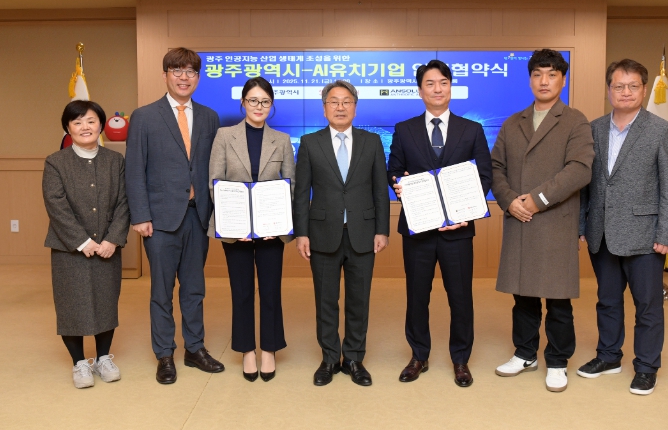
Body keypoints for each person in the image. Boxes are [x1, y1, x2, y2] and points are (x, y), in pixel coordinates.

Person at [490, 49, 594, 392]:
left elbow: (579, 169)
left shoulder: (575, 120)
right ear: (530, 79)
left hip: (554, 220)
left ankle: (558, 360)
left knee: (558, 298)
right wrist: (509, 201)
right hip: (519, 219)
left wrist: (537, 200)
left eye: (551, 75)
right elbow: (496, 168)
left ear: (562, 80)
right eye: (537, 74)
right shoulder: (513, 122)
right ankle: (525, 353)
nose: (544, 81)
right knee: (523, 295)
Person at [578, 59, 668, 395]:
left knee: (648, 306)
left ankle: (646, 367)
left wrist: (667, 234)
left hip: (645, 235)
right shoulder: (593, 129)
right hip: (601, 232)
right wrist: (582, 224)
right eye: (618, 86)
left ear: (644, 89)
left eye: (633, 86)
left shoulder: (661, 130)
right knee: (607, 301)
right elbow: (585, 184)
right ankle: (608, 356)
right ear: (609, 89)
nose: (625, 92)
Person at [388, 60, 492, 387]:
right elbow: (394, 171)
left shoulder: (471, 130)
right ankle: (419, 355)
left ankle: (460, 359)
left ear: (451, 87)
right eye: (430, 84)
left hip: (457, 232)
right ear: (420, 91)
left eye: (443, 82)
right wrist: (397, 184)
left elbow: (484, 176)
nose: (437, 89)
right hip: (418, 230)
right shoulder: (404, 129)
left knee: (460, 297)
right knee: (417, 296)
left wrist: (464, 212)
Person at [126, 47, 223, 384]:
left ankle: (194, 349)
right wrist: (140, 215)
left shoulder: (209, 117)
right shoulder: (144, 116)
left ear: (198, 77)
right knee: (161, 292)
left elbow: (213, 168)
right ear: (165, 74)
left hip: (198, 216)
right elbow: (134, 170)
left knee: (194, 288)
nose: (184, 77)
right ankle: (164, 354)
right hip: (159, 220)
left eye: (191, 71)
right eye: (177, 70)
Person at [293, 80, 390, 387]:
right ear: (324, 108)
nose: (340, 107)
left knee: (359, 301)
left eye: (346, 101)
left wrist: (382, 230)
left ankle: (354, 359)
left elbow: (380, 190)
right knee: (326, 300)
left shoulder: (372, 142)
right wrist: (301, 233)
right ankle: (329, 358)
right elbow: (301, 193)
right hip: (322, 233)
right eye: (333, 102)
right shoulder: (310, 143)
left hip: (363, 232)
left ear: (355, 107)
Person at [208, 77, 295, 382]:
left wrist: (278, 222)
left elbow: (291, 185)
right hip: (236, 230)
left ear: (272, 106)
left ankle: (269, 348)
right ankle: (247, 350)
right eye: (253, 100)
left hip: (272, 230)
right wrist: (235, 222)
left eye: (265, 101)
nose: (259, 106)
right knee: (242, 291)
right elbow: (214, 182)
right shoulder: (224, 136)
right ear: (243, 102)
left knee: (270, 291)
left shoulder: (282, 140)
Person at [42, 100, 130, 389]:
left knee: (106, 302)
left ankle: (103, 358)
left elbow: (124, 202)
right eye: (77, 122)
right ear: (68, 128)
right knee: (72, 304)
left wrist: (113, 239)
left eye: (91, 121)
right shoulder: (56, 162)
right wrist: (82, 241)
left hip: (107, 247)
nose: (85, 127)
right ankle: (79, 363)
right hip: (69, 249)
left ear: (101, 125)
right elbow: (56, 205)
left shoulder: (115, 161)